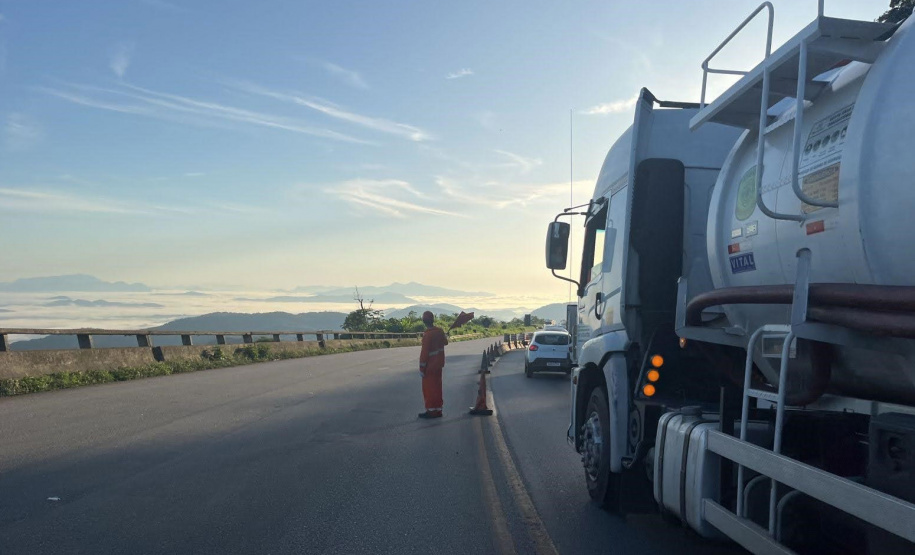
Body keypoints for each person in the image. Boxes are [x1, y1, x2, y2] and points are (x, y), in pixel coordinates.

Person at [418, 310, 448, 419]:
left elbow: (424, 353)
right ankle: (438, 410)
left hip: (430, 367)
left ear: (424, 321)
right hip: (439, 364)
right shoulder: (439, 331)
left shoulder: (428, 335)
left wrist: (422, 368)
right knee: (437, 387)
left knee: (429, 389)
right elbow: (445, 342)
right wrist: (445, 335)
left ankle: (431, 411)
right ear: (433, 320)